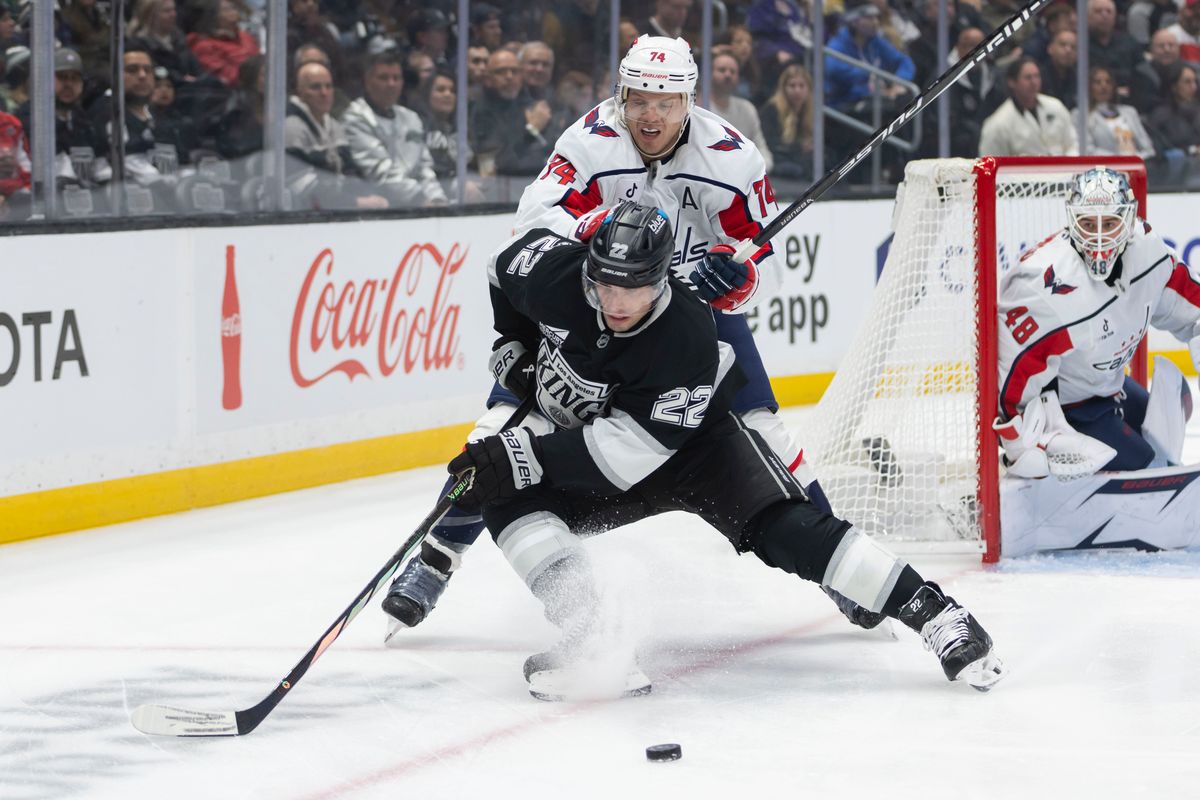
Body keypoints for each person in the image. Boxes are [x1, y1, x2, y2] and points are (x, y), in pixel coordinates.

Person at [382, 35, 847, 637]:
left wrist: (735, 274)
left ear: (690, 101)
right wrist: (600, 228)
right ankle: (437, 557)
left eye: (665, 101)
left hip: (689, 320)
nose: (649, 114)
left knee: (765, 431)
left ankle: (837, 568)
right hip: (598, 304)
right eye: (638, 98)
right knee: (501, 431)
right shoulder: (587, 143)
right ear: (621, 95)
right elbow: (534, 224)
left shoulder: (732, 160)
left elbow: (755, 255)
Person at [444, 201, 1004, 699]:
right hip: (611, 436)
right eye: (606, 282)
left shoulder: (684, 334)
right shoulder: (557, 274)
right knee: (501, 493)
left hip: (697, 449)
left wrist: (529, 456)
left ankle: (935, 612)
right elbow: (502, 264)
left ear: (661, 278)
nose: (616, 300)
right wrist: (512, 339)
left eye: (634, 286)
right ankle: (594, 635)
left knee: (785, 529)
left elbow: (626, 455)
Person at [995, 168, 1200, 555]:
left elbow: (1191, 305)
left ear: (1130, 217)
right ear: (1072, 220)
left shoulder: (1150, 253)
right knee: (1149, 475)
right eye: (1089, 222)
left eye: (1110, 221)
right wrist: (1023, 443)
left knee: (1179, 403)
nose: (1101, 235)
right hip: (1071, 409)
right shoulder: (1043, 286)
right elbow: (1010, 379)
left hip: (1110, 387)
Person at [341, 49, 446, 208]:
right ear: (368, 82)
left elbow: (424, 168)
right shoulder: (355, 118)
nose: (391, 84)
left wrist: (438, 200)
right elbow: (381, 173)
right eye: (384, 78)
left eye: (396, 78)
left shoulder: (411, 118)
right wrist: (421, 200)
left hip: (421, 204)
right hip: (382, 208)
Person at [284, 60, 388, 209]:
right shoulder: (291, 127)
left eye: (328, 86)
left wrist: (366, 193)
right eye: (315, 87)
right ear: (300, 93)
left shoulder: (334, 125)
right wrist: (355, 203)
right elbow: (301, 186)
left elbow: (350, 171)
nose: (324, 93)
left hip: (338, 207)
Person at [978, 58, 1078, 157]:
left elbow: (1073, 144)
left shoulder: (1056, 106)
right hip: (1022, 172)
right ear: (1012, 82)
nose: (1034, 82)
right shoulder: (998, 124)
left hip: (1063, 170)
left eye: (1037, 76)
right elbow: (988, 165)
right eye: (1028, 77)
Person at [708, 51, 772, 174]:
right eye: (722, 70)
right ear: (709, 74)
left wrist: (759, 171)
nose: (728, 75)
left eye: (733, 72)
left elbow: (762, 150)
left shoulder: (747, 109)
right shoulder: (699, 108)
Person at [1075, 66, 1156, 158]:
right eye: (1098, 82)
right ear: (1088, 87)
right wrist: (1120, 160)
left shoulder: (1130, 112)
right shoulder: (1080, 115)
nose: (1104, 86)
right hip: (1103, 167)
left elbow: (1148, 148)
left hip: (1138, 163)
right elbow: (1087, 150)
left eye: (1108, 82)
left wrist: (1137, 159)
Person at [186, 0, 261, 88]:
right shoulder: (205, 45)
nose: (233, 11)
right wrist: (256, 78)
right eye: (227, 9)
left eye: (233, 7)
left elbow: (260, 61)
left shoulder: (246, 37)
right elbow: (225, 76)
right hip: (235, 92)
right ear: (214, 16)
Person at [759, 61, 813, 181]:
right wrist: (800, 147)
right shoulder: (771, 110)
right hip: (778, 161)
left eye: (801, 86)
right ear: (783, 88)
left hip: (799, 161)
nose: (797, 90)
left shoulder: (812, 113)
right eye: (792, 86)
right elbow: (770, 144)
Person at [1085, 0, 1144, 99]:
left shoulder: (1129, 43)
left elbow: (1142, 73)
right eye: (1098, 11)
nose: (1104, 15)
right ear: (1087, 16)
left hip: (1127, 99)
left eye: (1109, 11)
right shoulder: (1079, 44)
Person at [1131, 29, 1181, 115]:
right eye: (1161, 46)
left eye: (1171, 45)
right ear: (1151, 50)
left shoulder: (1188, 71)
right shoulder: (1141, 73)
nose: (1167, 50)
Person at [1038, 28, 1078, 110]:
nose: (1068, 50)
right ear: (1050, 48)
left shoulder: (1080, 78)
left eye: (1073, 47)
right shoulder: (1038, 76)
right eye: (1062, 45)